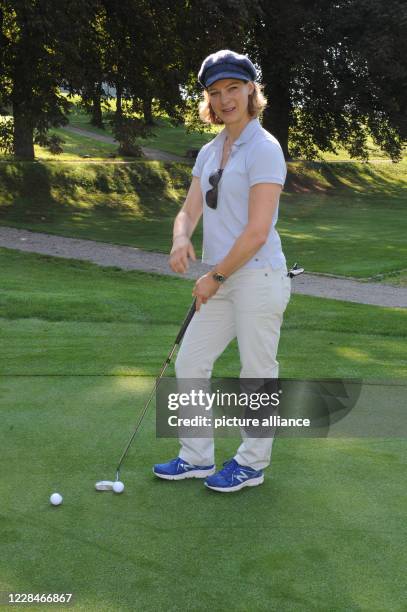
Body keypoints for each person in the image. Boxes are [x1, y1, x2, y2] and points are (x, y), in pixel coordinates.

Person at [153, 49, 291, 492]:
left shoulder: (265, 148)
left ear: (252, 90)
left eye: (234, 88)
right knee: (191, 362)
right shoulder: (211, 151)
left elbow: (256, 232)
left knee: (257, 372)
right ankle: (195, 457)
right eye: (216, 92)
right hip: (223, 277)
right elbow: (189, 211)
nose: (225, 99)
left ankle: (252, 463)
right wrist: (180, 239)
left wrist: (214, 277)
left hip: (258, 276)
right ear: (208, 100)